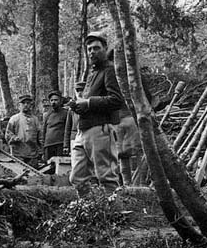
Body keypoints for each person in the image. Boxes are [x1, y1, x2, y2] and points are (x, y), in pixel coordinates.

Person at [69, 31, 124, 194]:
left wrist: (89, 102)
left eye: (96, 48)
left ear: (105, 49)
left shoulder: (109, 70)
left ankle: (115, 214)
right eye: (89, 49)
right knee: (77, 178)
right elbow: (88, 102)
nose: (92, 52)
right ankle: (88, 211)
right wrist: (78, 105)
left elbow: (116, 100)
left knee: (106, 177)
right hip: (83, 130)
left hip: (100, 130)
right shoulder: (93, 73)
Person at [106, 49, 153, 185]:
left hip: (130, 118)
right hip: (121, 119)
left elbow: (146, 96)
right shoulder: (128, 75)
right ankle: (132, 184)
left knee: (131, 152)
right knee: (125, 153)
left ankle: (135, 184)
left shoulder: (132, 75)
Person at [5, 94, 42, 168]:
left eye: (28, 103)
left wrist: (41, 150)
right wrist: (14, 138)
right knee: (18, 174)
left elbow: (40, 136)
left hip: (32, 154)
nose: (26, 105)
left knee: (33, 176)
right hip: (18, 153)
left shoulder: (35, 120)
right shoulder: (14, 119)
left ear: (30, 105)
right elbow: (8, 134)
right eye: (23, 103)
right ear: (19, 105)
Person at [41, 90, 68, 162]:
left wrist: (66, 145)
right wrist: (43, 148)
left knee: (60, 167)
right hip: (48, 145)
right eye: (51, 100)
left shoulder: (66, 113)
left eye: (56, 100)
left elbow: (68, 130)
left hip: (60, 144)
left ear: (60, 101)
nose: (53, 102)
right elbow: (44, 131)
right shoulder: (47, 115)